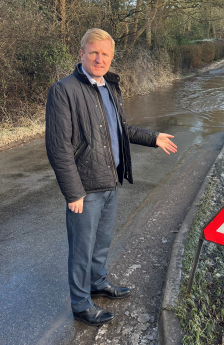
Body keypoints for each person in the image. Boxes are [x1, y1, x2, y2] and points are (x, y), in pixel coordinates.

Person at [46, 28, 177, 326]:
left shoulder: (110, 88)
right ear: (81, 53)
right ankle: (81, 303)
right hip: (84, 187)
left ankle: (98, 283)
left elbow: (121, 130)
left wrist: (152, 137)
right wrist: (73, 192)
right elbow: (58, 147)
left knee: (102, 241)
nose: (99, 58)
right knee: (82, 247)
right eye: (94, 52)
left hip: (110, 181)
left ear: (112, 57)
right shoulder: (63, 90)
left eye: (105, 54)